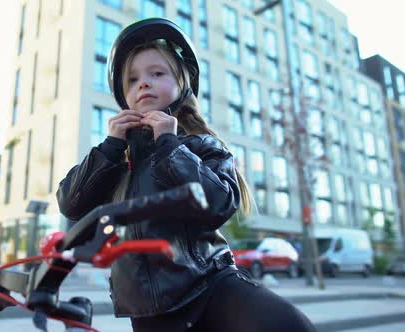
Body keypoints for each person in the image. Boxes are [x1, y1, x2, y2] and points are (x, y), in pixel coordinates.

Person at [56, 18, 316, 331]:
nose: (144, 83)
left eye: (157, 73)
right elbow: (70, 202)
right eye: (133, 79)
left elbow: (218, 204)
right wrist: (110, 147)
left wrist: (169, 145)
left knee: (289, 325)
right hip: (147, 309)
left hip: (209, 285)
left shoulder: (199, 145)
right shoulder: (113, 161)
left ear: (182, 84)